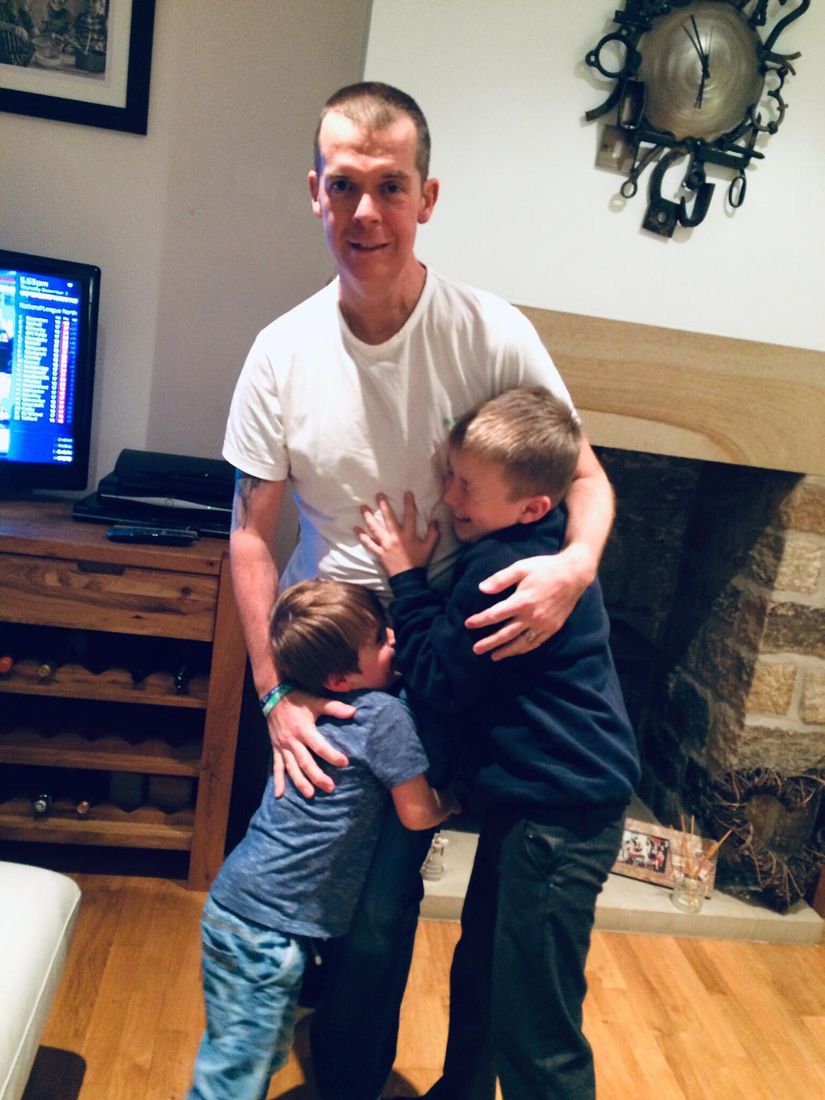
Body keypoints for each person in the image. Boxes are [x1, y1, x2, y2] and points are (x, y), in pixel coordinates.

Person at [222, 81, 616, 1099]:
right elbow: (251, 535)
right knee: (322, 895)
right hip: (332, 659)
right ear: (314, 192)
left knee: (411, 910)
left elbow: (584, 477)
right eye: (344, 185)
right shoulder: (279, 352)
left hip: (449, 645)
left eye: (390, 187)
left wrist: (573, 567)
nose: (366, 212)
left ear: (426, 198)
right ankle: (332, 1068)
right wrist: (275, 692)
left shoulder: (492, 332)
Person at [357, 385, 640, 1100]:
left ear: (532, 506)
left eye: (467, 487)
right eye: (451, 476)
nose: (449, 496)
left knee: (535, 1025)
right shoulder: (543, 545)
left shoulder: (501, 570)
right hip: (542, 805)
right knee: (484, 970)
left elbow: (434, 679)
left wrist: (406, 578)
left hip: (558, 813)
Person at [186, 579, 459, 1100]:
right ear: (338, 677)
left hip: (237, 909)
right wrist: (452, 800)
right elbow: (417, 813)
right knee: (232, 1077)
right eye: (379, 639)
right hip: (265, 934)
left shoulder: (304, 713)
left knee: (245, 1057)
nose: (395, 638)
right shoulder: (384, 716)